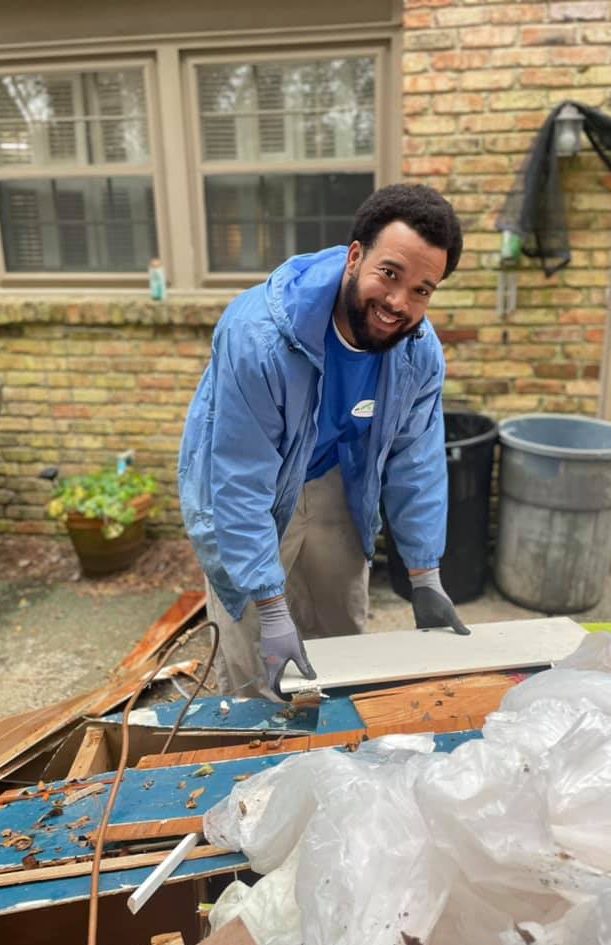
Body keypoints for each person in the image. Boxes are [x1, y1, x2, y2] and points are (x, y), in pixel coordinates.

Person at [179, 182, 470, 701]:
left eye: (423, 290)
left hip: (338, 476)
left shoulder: (417, 353)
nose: (399, 303)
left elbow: (416, 461)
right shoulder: (259, 339)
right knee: (255, 657)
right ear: (356, 256)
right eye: (390, 274)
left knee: (341, 640)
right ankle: (254, 751)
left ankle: (334, 751)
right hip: (254, 486)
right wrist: (271, 608)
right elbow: (239, 479)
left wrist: (425, 575)